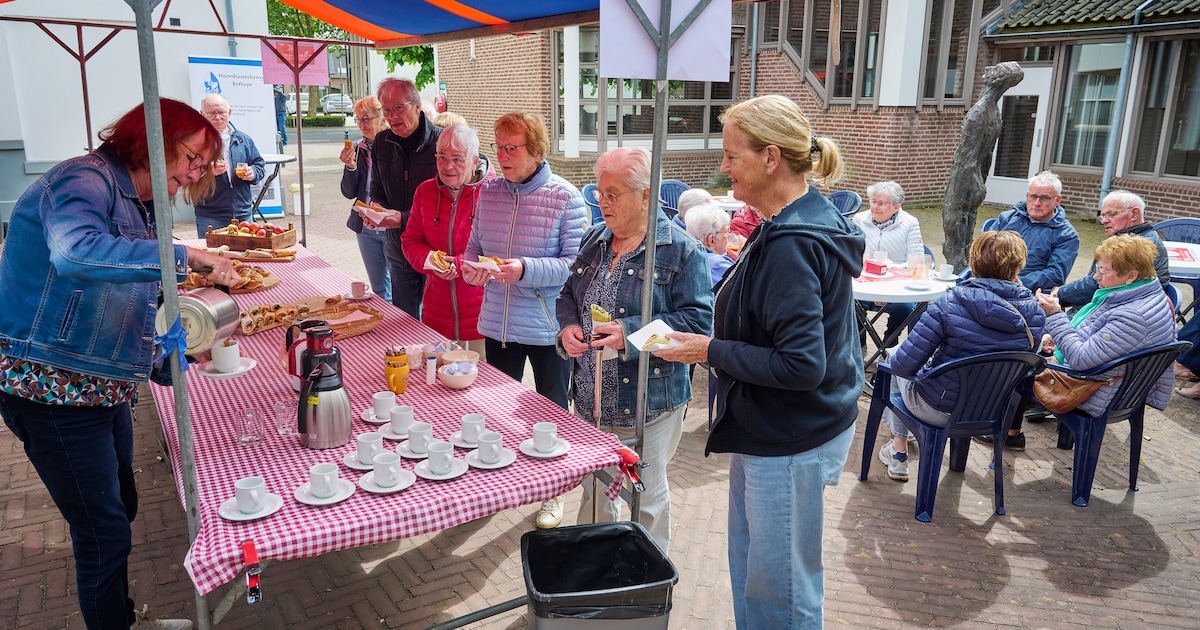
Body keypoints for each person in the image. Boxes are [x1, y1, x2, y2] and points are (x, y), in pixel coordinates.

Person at [0, 98, 241, 630]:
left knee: (121, 506)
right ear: (153, 138)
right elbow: (77, 254)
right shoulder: (82, 180)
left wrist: (162, 356)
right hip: (52, 391)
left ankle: (122, 616)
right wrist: (186, 257)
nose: (193, 175)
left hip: (101, 388)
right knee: (102, 531)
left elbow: (125, 302)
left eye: (202, 166)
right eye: (191, 159)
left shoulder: (134, 201)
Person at [654, 94, 864, 629]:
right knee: (759, 574)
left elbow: (801, 365)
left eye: (732, 155)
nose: (723, 167)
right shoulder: (790, 221)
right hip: (780, 427)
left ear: (772, 157)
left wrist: (708, 350)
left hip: (789, 434)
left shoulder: (794, 240)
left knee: (781, 589)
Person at [557, 147, 713, 554]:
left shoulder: (680, 250)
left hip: (649, 404)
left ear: (645, 195)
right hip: (591, 401)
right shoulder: (596, 239)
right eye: (600, 194)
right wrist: (570, 327)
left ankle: (647, 580)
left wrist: (630, 335)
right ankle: (594, 568)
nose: (603, 203)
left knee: (645, 498)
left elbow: (697, 326)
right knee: (596, 491)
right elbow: (567, 296)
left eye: (614, 194)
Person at [461, 111, 586, 529]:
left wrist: (525, 269)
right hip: (498, 321)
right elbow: (473, 247)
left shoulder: (566, 196)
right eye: (498, 147)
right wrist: (470, 268)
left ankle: (554, 493)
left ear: (537, 151)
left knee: (551, 410)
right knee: (497, 410)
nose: (503, 155)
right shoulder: (488, 192)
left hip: (549, 325)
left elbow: (575, 266)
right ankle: (500, 483)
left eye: (512, 148)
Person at [877, 231, 1045, 480]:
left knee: (892, 358)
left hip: (938, 408)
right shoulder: (1036, 313)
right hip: (994, 411)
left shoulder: (948, 303)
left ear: (974, 264)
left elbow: (904, 366)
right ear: (1017, 268)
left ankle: (899, 450)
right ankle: (919, 448)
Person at [1032, 234, 1175, 421]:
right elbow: (1101, 336)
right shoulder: (1149, 296)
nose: (1095, 276)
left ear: (1131, 276)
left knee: (1016, 367)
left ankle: (1010, 435)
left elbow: (1079, 360)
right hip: (1118, 381)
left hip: (1098, 391)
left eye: (1102, 270)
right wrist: (1059, 339)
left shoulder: (1131, 316)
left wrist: (1055, 316)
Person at [402, 124, 491, 355]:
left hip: (483, 319)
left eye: (457, 159)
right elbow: (410, 240)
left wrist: (460, 264)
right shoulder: (425, 191)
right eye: (441, 157)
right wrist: (431, 260)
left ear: (474, 160)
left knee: (483, 386)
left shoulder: (493, 194)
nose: (447, 166)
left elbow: (501, 251)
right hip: (437, 317)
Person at [360, 78, 442, 318]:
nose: (392, 116)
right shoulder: (382, 143)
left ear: (416, 106)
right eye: (386, 110)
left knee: (435, 325)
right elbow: (377, 188)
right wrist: (376, 208)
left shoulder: (442, 142)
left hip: (435, 252)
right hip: (399, 249)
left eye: (398, 108)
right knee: (405, 323)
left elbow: (450, 202)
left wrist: (403, 218)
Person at [1056, 190, 1169, 308]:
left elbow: (1095, 285)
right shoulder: (1127, 238)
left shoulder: (1135, 246)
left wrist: (1059, 294)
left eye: (1112, 214)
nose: (1104, 221)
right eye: (1103, 215)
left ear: (1135, 214)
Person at [852, 181, 924, 342]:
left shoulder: (910, 223)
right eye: (873, 201)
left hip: (896, 288)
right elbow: (851, 254)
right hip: (864, 284)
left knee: (904, 308)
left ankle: (889, 342)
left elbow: (916, 262)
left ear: (896, 206)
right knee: (848, 302)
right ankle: (859, 340)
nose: (875, 207)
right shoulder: (859, 220)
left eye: (881, 203)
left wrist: (886, 288)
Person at [987, 170, 1079, 292]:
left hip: (1030, 293)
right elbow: (985, 253)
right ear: (1027, 196)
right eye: (1033, 196)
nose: (1037, 203)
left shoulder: (1067, 235)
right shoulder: (1006, 219)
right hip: (992, 283)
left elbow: (1055, 274)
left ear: (1058, 200)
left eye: (1045, 198)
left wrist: (1016, 283)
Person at [339, 96, 391, 301]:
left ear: (382, 118)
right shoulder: (358, 148)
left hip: (391, 226)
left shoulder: (395, 147)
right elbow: (348, 192)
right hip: (366, 229)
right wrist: (350, 166)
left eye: (366, 119)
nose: (361, 124)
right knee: (379, 290)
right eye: (358, 119)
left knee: (400, 287)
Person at [192, 93, 266, 238]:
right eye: (212, 113)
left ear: (230, 112)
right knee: (212, 257)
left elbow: (259, 165)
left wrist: (253, 173)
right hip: (210, 215)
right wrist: (207, 172)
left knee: (246, 256)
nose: (218, 117)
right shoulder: (194, 142)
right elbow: (183, 175)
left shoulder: (244, 139)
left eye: (221, 112)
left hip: (243, 213)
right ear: (202, 114)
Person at [684, 200, 736, 287]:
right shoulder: (719, 265)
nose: (728, 236)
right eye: (726, 232)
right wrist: (745, 257)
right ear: (711, 240)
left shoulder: (685, 255)